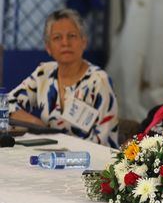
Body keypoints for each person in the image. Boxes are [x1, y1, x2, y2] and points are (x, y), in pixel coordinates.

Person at [8, 8, 119, 148]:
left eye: (72, 36)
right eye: (57, 38)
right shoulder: (44, 73)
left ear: (84, 42)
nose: (65, 43)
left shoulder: (99, 81)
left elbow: (103, 141)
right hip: (50, 157)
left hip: (91, 162)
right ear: (48, 48)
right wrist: (35, 123)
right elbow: (6, 104)